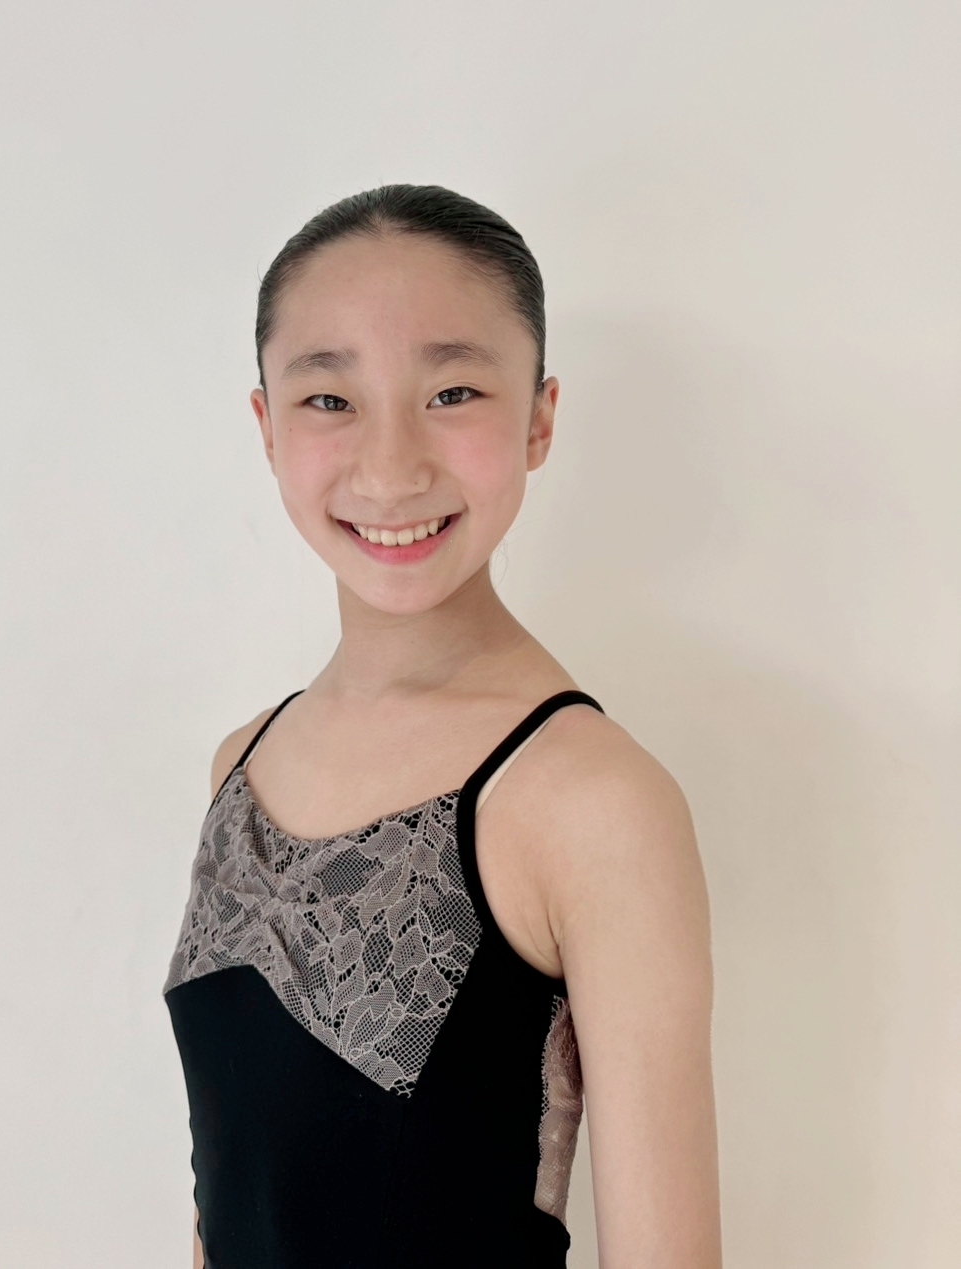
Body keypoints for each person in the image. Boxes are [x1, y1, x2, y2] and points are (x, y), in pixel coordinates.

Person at [163, 184, 721, 1269]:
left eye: (452, 391)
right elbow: (226, 1197)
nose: (390, 466)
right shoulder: (241, 763)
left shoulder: (591, 800)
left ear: (539, 418)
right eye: (331, 398)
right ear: (267, 427)